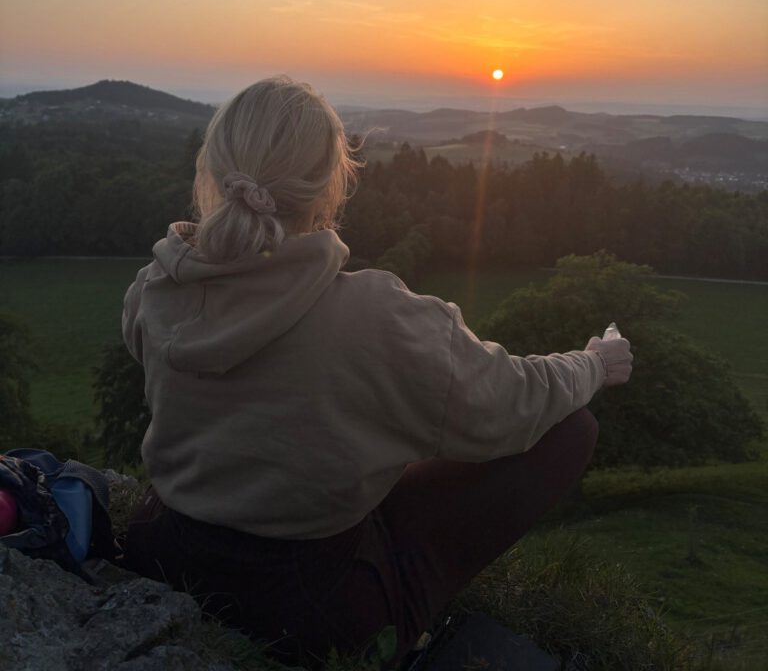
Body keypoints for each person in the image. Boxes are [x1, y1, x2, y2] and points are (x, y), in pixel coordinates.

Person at [121, 75, 633, 669]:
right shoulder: (375, 316)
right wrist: (592, 364)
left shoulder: (155, 291)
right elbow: (509, 403)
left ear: (210, 170)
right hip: (306, 606)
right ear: (329, 187)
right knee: (571, 431)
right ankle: (393, 638)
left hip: (162, 549)